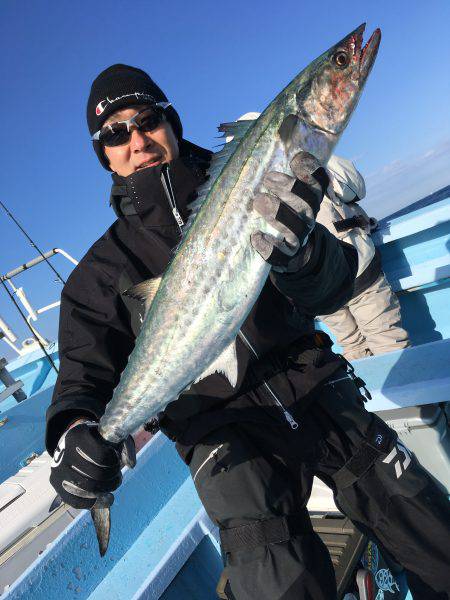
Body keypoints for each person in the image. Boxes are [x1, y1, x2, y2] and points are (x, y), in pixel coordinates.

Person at [46, 64, 450, 600]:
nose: (137, 140)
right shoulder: (97, 273)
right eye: (116, 134)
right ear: (104, 154)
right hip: (220, 432)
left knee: (433, 534)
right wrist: (76, 430)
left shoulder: (256, 179)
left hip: (313, 383)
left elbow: (331, 291)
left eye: (147, 120)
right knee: (280, 583)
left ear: (170, 122)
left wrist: (303, 255)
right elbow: (83, 375)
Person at [317, 155, 411, 360]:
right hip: (356, 273)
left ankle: (369, 391)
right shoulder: (310, 156)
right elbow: (354, 187)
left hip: (315, 290)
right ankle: (410, 389)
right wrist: (321, 153)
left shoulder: (248, 192)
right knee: (388, 342)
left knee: (353, 347)